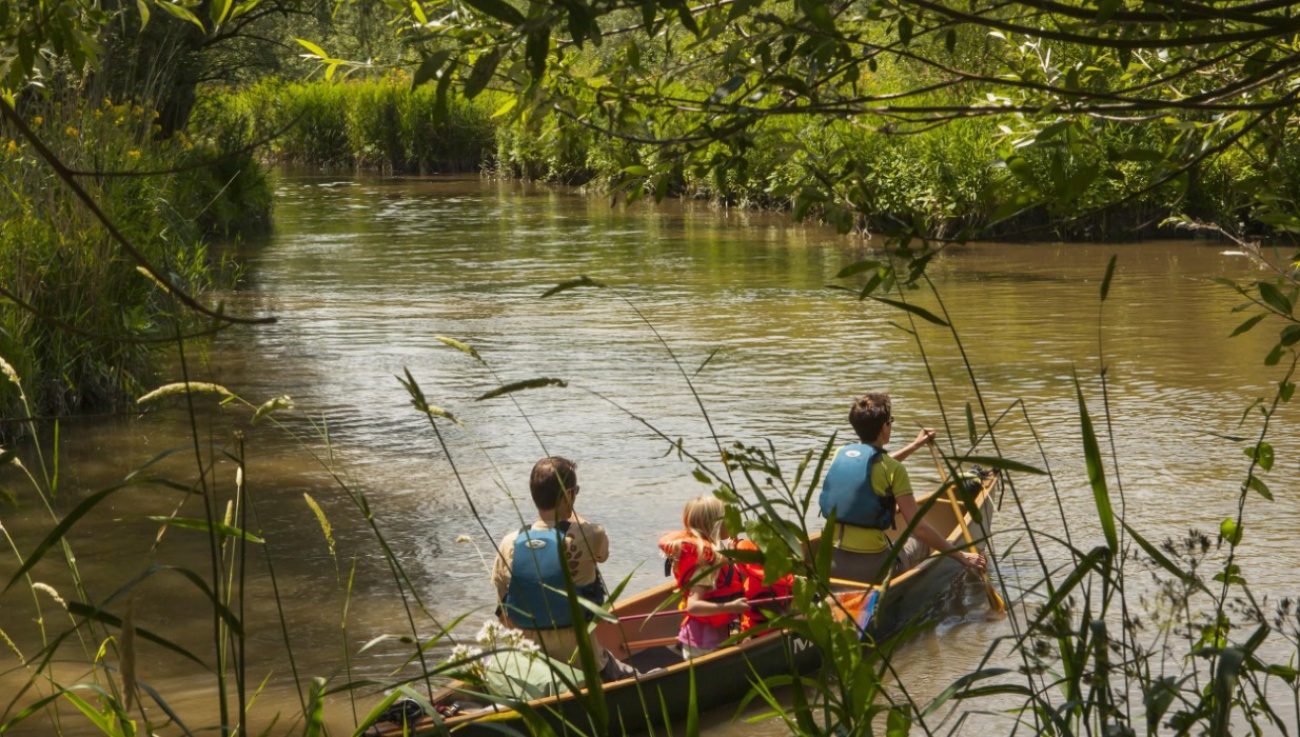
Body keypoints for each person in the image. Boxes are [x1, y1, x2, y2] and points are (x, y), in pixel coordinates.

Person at [492, 456, 637, 682]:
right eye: (575, 492)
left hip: (534, 667)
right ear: (569, 494)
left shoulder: (509, 542)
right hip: (584, 664)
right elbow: (603, 555)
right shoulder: (591, 534)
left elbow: (504, 612)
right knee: (638, 678)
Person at [820, 392, 986, 585]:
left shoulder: (840, 454)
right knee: (922, 540)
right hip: (874, 571)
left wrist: (915, 446)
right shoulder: (895, 470)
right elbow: (919, 528)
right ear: (884, 428)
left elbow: (871, 465)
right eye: (890, 421)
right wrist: (962, 556)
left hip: (832, 563)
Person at [658, 495, 751, 659]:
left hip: (710, 636)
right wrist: (731, 607)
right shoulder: (705, 564)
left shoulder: (709, 555)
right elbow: (693, 606)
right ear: (714, 525)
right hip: (704, 644)